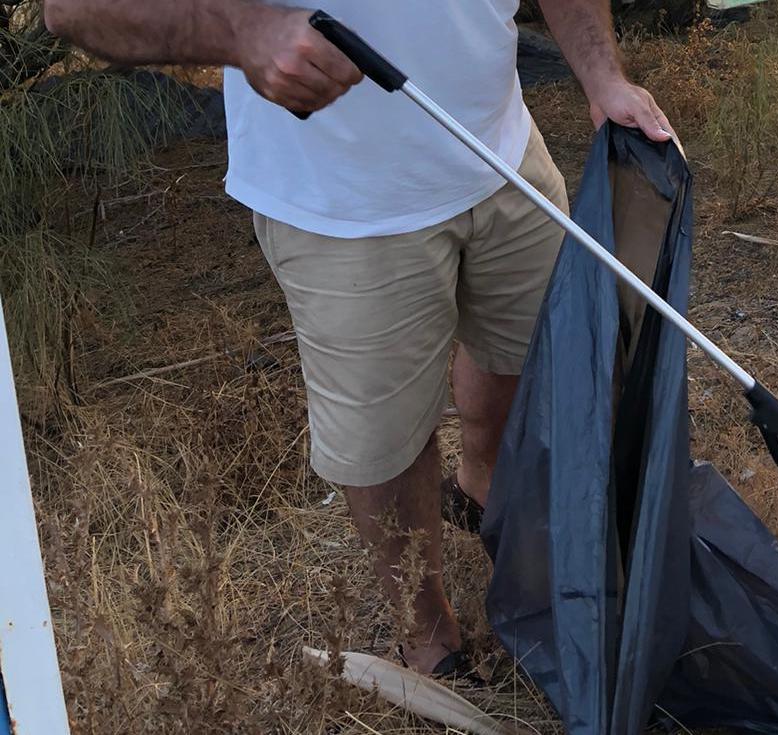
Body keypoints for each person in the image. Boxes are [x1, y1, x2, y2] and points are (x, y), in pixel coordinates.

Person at [43, 0, 673, 677]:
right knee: (385, 445)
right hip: (345, 210)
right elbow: (71, 10)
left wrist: (603, 76)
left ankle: (482, 479)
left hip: (502, 155)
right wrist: (243, 29)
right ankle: (426, 632)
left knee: (541, 357)